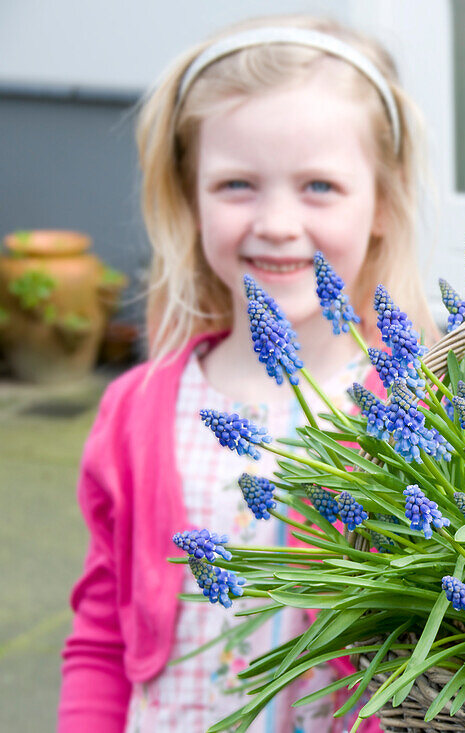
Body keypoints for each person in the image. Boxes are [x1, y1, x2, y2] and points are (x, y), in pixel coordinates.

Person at [57, 14, 437, 732]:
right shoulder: (137, 409)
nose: (277, 222)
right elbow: (103, 629)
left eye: (319, 185)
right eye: (237, 184)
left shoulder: (423, 408)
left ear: (383, 202)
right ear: (189, 197)